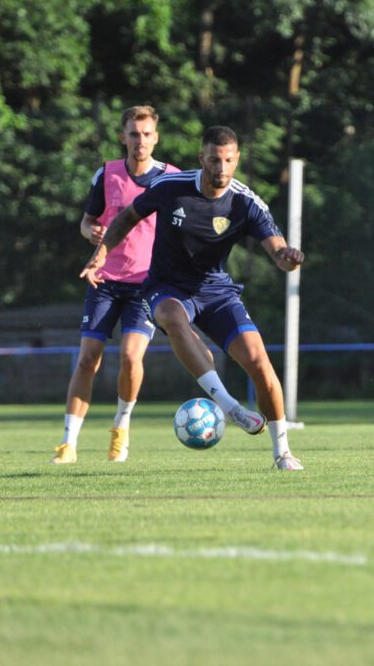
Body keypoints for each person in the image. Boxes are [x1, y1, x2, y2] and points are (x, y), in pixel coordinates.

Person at [80, 125, 305, 470]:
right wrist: (102, 252)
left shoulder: (247, 202)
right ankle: (229, 407)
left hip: (216, 292)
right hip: (166, 287)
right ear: (202, 159)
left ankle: (283, 452)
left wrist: (287, 259)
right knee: (171, 317)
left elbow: (277, 251)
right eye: (215, 160)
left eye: (229, 160)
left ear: (237, 160)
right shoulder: (172, 187)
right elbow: (127, 217)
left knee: (259, 362)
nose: (222, 168)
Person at [51, 106, 180, 464]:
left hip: (148, 284)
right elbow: (87, 221)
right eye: (134, 134)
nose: (140, 141)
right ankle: (68, 444)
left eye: (147, 134)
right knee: (87, 359)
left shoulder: (172, 178)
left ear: (156, 137)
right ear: (122, 136)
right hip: (105, 280)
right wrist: (87, 232)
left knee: (129, 356)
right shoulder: (106, 174)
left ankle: (121, 429)